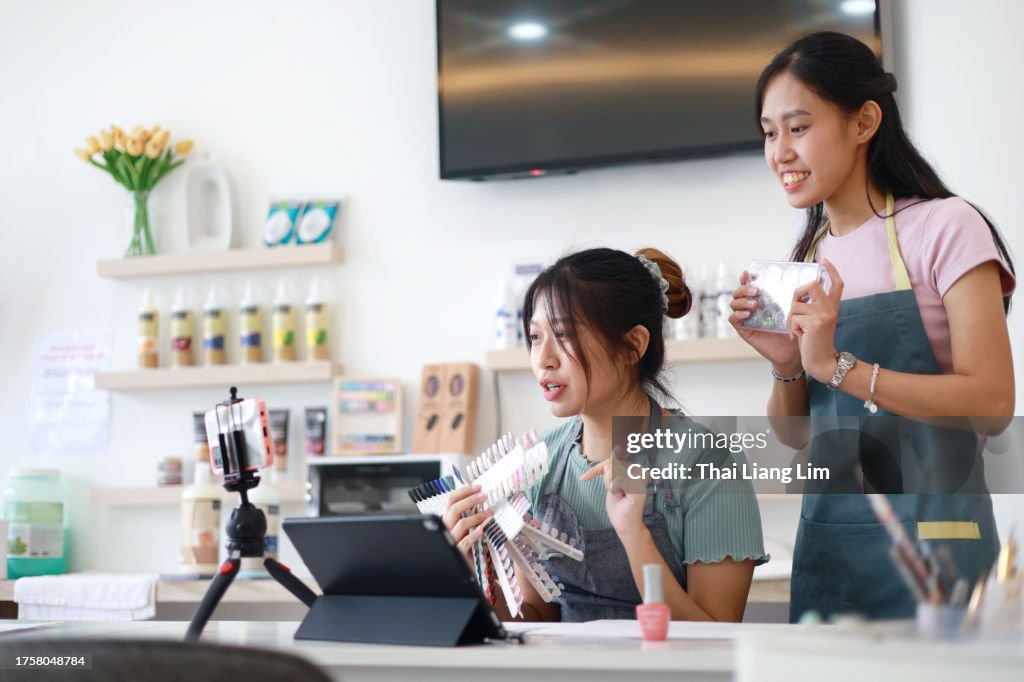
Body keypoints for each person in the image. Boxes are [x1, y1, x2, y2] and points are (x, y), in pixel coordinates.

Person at [731, 31, 1015, 621]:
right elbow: (796, 436)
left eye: (799, 127)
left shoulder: (944, 227)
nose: (780, 151)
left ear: (864, 122)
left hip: (939, 552)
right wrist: (788, 367)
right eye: (768, 132)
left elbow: (990, 403)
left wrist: (838, 366)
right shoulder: (804, 260)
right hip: (833, 554)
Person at [444, 247, 768, 622]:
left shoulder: (708, 460)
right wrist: (471, 573)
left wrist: (634, 533)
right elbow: (538, 617)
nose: (543, 358)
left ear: (634, 345)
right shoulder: (538, 461)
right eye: (535, 337)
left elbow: (717, 636)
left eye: (563, 335)